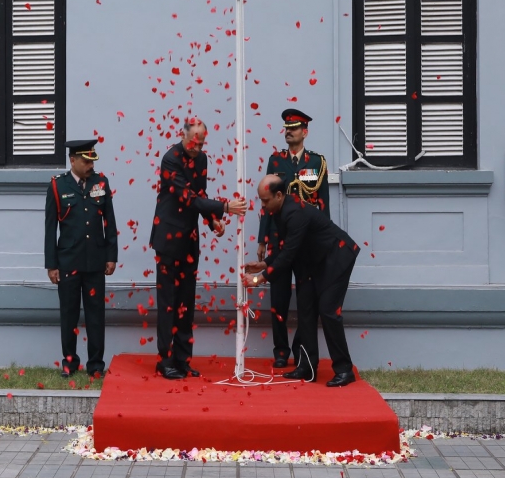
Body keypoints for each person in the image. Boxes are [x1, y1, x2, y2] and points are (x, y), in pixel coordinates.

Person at [150, 118, 247, 379]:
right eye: (194, 143)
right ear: (183, 136)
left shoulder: (202, 160)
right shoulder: (170, 159)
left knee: (186, 303)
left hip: (190, 241)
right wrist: (225, 208)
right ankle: (165, 360)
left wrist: (212, 220)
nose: (197, 148)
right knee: (168, 303)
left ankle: (182, 359)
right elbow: (187, 197)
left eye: (201, 144)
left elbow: (200, 194)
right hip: (169, 240)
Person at [244, 174, 359, 387]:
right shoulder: (280, 210)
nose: (263, 205)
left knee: (328, 311)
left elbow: (288, 253)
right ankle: (306, 367)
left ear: (279, 195)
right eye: (261, 200)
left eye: (266, 200)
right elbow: (284, 246)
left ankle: (344, 370)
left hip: (336, 256)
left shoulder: (294, 212)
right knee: (305, 309)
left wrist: (261, 278)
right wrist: (266, 263)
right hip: (312, 262)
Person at [257, 108, 330, 368]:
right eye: (287, 127)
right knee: (278, 297)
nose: (289, 131)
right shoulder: (275, 162)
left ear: (304, 132)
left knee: (306, 298)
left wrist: (323, 244)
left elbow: (323, 204)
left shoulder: (316, 162)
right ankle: (280, 350)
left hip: (306, 241)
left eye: (295, 127)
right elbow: (267, 201)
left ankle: (301, 348)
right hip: (279, 238)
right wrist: (262, 239)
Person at [45, 139, 118, 378]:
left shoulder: (101, 183)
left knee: (96, 314)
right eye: (86, 161)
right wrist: (51, 265)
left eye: (92, 161)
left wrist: (111, 256)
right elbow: (50, 228)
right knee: (69, 314)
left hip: (95, 261)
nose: (90, 165)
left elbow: (110, 222)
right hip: (68, 262)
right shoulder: (58, 186)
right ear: (73, 160)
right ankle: (70, 362)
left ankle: (96, 364)